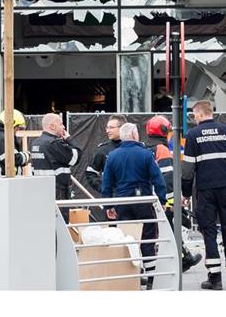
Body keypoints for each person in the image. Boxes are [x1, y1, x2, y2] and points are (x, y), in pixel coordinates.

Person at [182, 100, 226, 290]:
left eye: (194, 115)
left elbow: (188, 169)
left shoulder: (193, 135)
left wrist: (185, 193)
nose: (194, 119)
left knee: (208, 232)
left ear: (200, 114)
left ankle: (215, 278)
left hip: (205, 191)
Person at [101, 123, 167, 290]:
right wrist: (162, 200)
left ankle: (132, 279)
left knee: (128, 240)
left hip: (122, 203)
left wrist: (108, 206)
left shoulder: (112, 156)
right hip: (143, 202)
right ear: (134, 135)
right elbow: (158, 179)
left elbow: (106, 184)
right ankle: (151, 278)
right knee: (147, 239)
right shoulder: (145, 154)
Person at [145, 115, 203, 273]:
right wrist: (171, 203)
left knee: (156, 232)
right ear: (164, 131)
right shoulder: (162, 150)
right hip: (162, 201)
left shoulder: (146, 147)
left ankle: (181, 257)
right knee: (171, 229)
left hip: (149, 199)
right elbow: (168, 179)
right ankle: (183, 259)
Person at [30, 113, 82, 222]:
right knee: (60, 224)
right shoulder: (54, 143)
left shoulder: (36, 143)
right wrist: (69, 139)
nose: (63, 127)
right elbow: (75, 158)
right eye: (61, 124)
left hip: (41, 191)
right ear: (52, 126)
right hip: (58, 191)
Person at [85, 114, 126, 192]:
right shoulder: (103, 149)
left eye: (111, 128)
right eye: (107, 127)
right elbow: (90, 173)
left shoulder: (136, 148)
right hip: (112, 199)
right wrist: (103, 188)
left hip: (133, 197)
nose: (107, 131)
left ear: (122, 128)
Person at [0, 109, 30, 176]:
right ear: (11, 124)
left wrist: (22, 161)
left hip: (3, 180)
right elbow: (10, 160)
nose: (17, 130)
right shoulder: (3, 138)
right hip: (5, 181)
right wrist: (27, 155)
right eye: (17, 127)